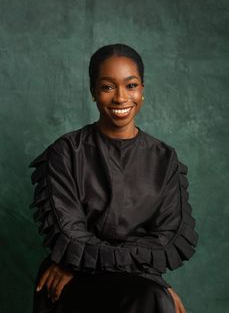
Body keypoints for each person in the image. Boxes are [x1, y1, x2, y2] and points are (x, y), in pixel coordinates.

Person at [29, 44, 198, 313]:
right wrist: (78, 263)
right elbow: (71, 236)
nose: (121, 97)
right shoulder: (66, 153)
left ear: (142, 90)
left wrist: (149, 279)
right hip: (72, 278)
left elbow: (165, 238)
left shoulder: (165, 159)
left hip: (115, 276)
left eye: (131, 85)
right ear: (93, 92)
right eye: (108, 87)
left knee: (154, 297)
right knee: (155, 298)